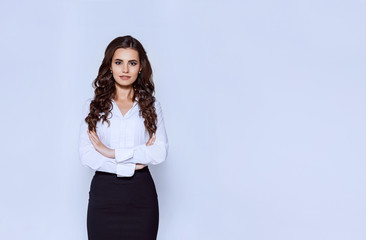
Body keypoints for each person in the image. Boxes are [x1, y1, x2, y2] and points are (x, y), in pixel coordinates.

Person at [78, 35, 169, 240]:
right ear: (110, 66)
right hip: (104, 197)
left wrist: (111, 153)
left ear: (140, 68)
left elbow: (159, 152)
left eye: (132, 63)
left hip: (141, 197)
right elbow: (87, 156)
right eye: (119, 62)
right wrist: (131, 164)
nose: (125, 69)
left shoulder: (151, 106)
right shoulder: (93, 106)